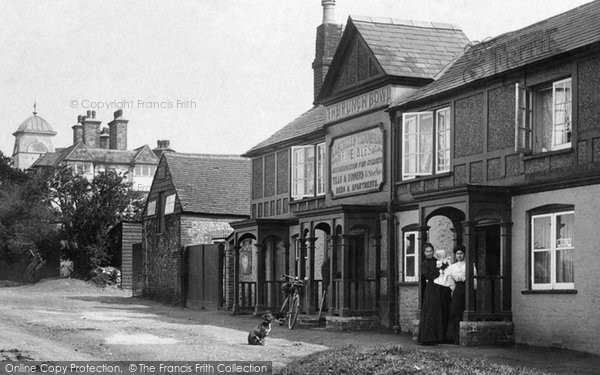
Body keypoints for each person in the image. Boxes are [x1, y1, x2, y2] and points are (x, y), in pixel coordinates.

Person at [418, 243, 449, 345]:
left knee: (440, 311)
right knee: (431, 312)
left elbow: (445, 271)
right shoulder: (424, 264)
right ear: (424, 253)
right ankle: (428, 338)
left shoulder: (438, 261)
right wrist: (440, 269)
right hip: (431, 289)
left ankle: (440, 337)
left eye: (431, 251)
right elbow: (429, 276)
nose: (429, 253)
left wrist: (443, 267)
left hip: (440, 288)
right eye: (427, 251)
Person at [445, 245, 466, 344]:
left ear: (464, 254)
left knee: (464, 310)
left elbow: (474, 280)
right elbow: (450, 279)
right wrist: (453, 289)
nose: (459, 255)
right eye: (458, 254)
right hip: (457, 289)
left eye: (461, 253)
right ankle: (455, 338)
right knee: (455, 312)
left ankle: (463, 337)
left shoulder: (469, 265)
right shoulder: (452, 267)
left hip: (466, 288)